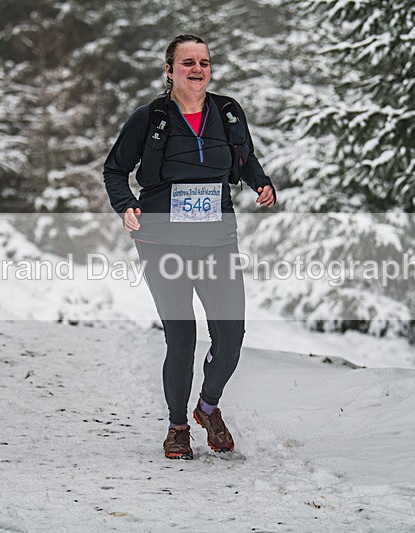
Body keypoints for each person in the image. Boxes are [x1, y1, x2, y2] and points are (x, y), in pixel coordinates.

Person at [103, 34, 276, 460]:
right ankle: (177, 427)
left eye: (204, 62)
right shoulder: (150, 117)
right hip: (162, 240)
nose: (198, 69)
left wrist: (261, 182)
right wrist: (126, 205)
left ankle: (208, 407)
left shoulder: (228, 112)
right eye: (187, 62)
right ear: (169, 70)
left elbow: (244, 159)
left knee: (231, 335)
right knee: (182, 337)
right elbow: (115, 170)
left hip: (217, 239)